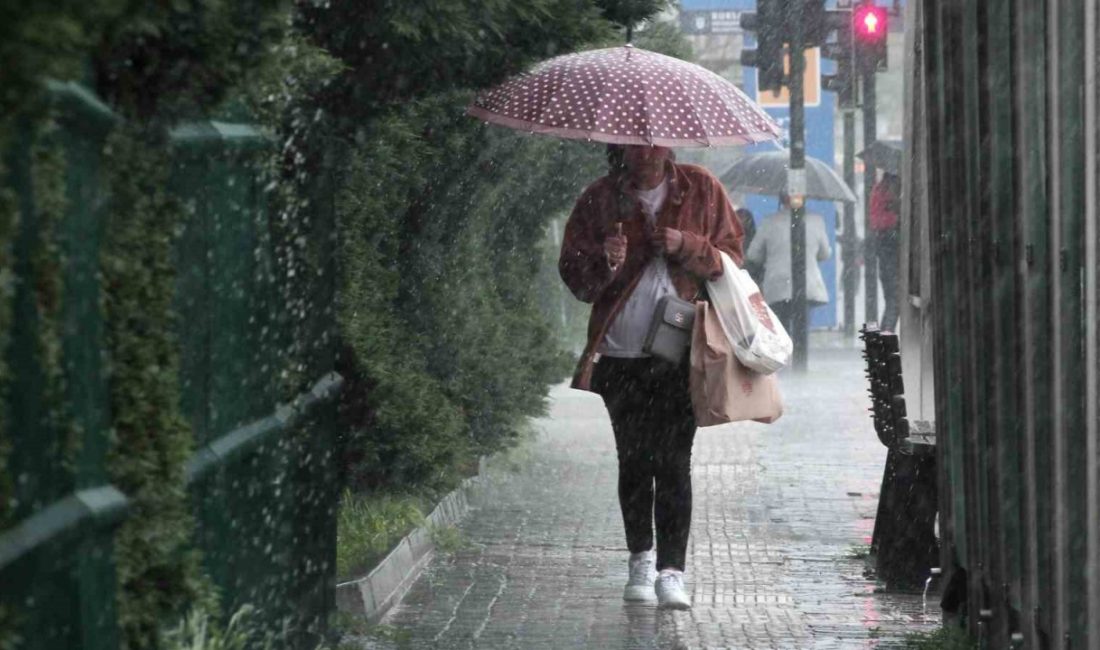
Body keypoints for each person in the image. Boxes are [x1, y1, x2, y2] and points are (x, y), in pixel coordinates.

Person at [559, 144, 743, 610]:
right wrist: (606, 260)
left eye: (654, 142)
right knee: (635, 460)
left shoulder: (701, 188)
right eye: (635, 144)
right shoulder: (600, 198)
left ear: (669, 144)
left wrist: (689, 247)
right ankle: (640, 560)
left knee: (674, 461)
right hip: (620, 354)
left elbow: (733, 262)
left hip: (681, 351)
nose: (646, 152)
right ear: (619, 147)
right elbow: (576, 280)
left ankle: (672, 572)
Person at [745, 193, 832, 333]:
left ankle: (787, 351)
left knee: (781, 329)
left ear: (781, 199)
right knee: (801, 328)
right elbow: (825, 254)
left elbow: (753, 255)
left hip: (777, 284)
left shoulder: (769, 222)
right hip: (806, 284)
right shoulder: (816, 220)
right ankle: (800, 352)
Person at [869, 171, 901, 332]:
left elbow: (875, 220)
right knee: (895, 302)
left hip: (884, 250)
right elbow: (882, 221)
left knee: (892, 301)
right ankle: (885, 344)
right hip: (891, 251)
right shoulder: (889, 193)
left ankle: (883, 346)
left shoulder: (878, 189)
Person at [735, 207, 764, 285]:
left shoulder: (756, 241)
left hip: (750, 279)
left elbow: (758, 260)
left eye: (744, 219)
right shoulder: (727, 240)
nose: (741, 223)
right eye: (739, 219)